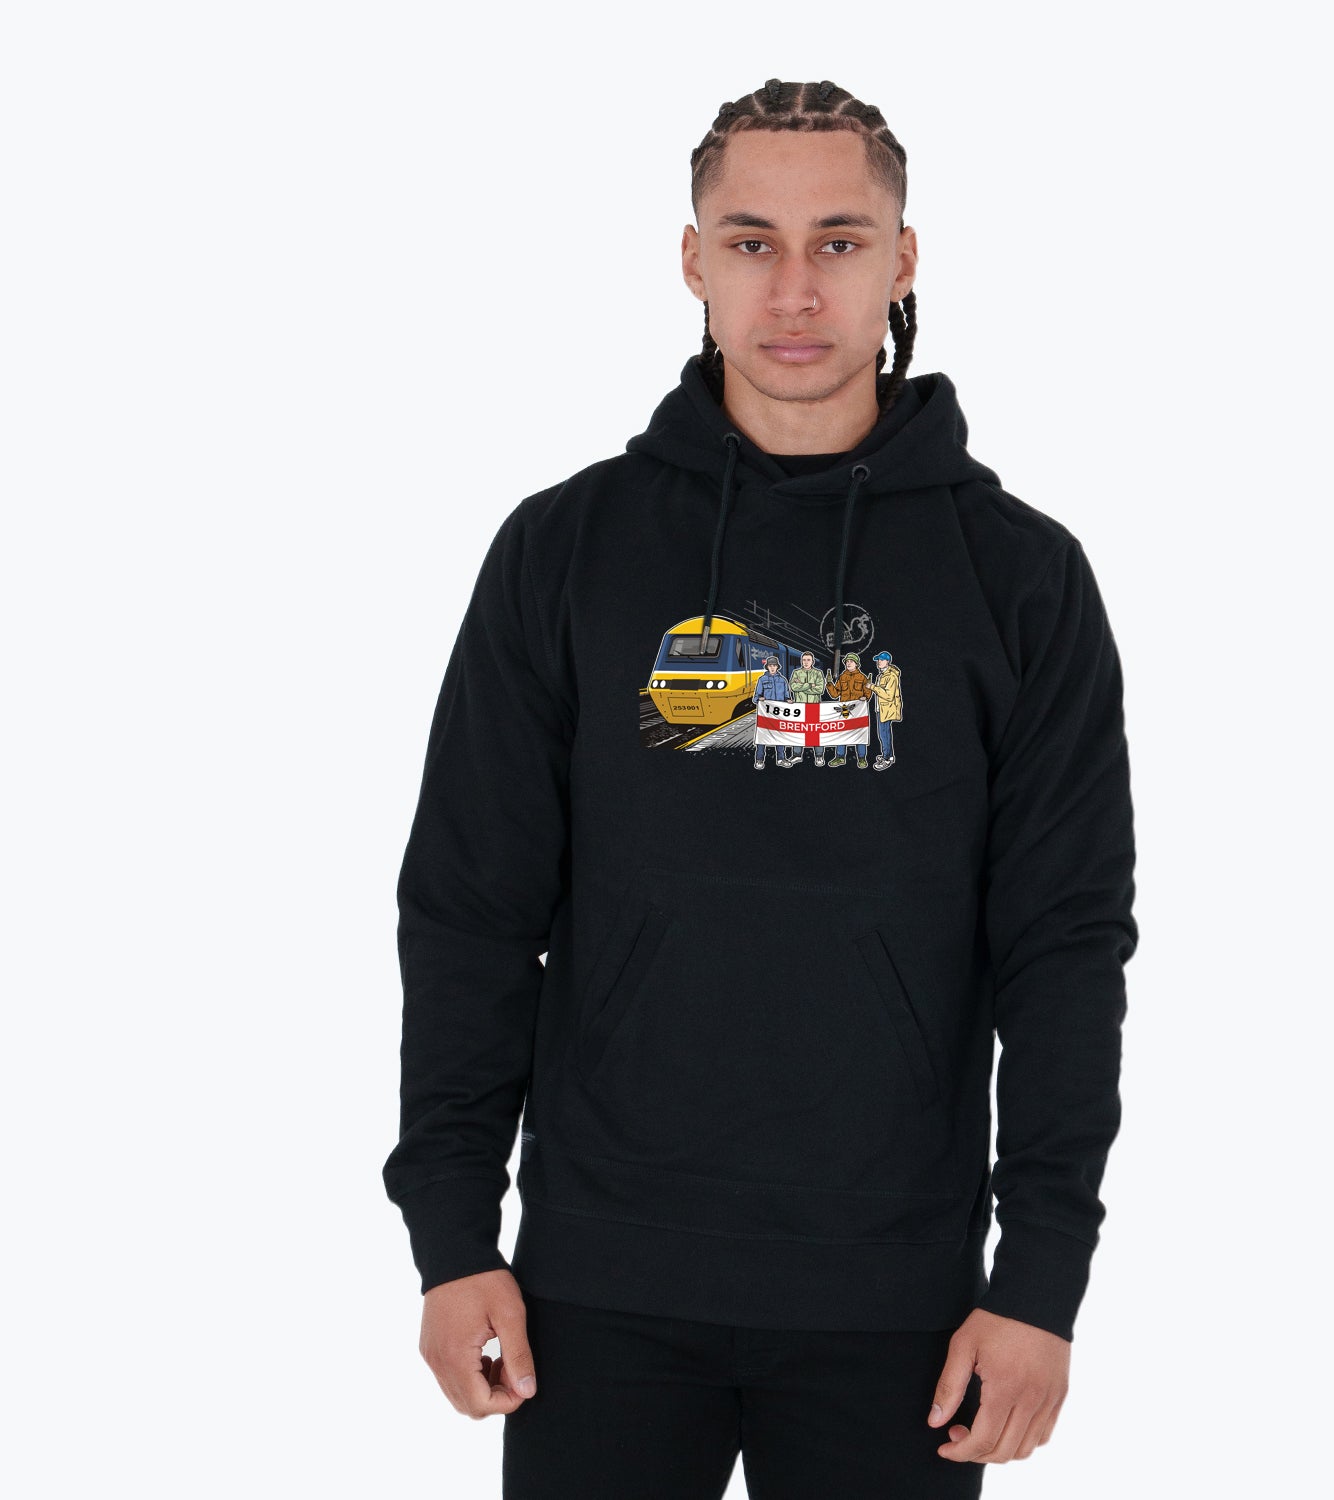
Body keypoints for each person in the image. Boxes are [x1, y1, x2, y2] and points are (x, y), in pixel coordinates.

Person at [382, 78, 1138, 1497]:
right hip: (595, 1290)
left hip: (900, 1303)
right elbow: (471, 911)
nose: (796, 290)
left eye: (839, 242)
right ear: (693, 261)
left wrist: (1041, 1280)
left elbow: (1063, 945)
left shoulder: (1021, 579)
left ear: (903, 260)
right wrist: (452, 1236)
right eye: (752, 242)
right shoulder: (565, 550)